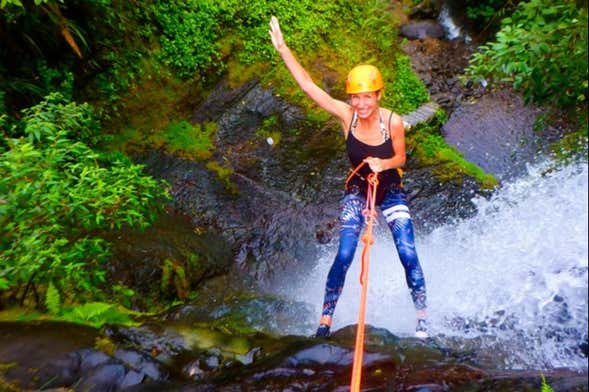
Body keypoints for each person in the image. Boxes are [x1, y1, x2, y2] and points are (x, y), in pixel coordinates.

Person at [268, 16, 428, 338]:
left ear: (379, 95)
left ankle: (422, 316)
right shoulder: (347, 116)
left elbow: (401, 158)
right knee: (344, 253)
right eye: (356, 97)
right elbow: (308, 86)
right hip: (357, 190)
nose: (361, 103)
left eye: (367, 96)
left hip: (390, 190)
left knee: (407, 251)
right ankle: (326, 320)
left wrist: (384, 165)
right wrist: (284, 49)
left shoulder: (392, 122)